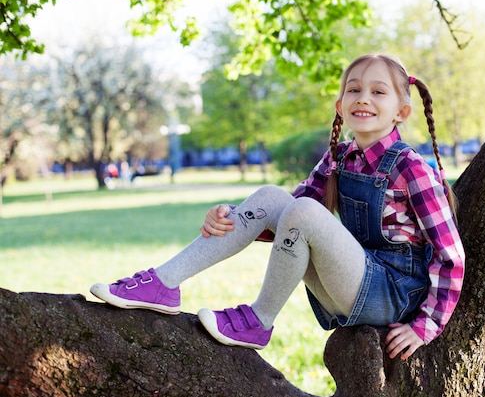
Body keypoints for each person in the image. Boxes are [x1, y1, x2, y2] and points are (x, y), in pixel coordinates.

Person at [90, 53, 465, 360]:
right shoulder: (339, 158)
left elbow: (451, 257)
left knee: (302, 209)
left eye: (377, 91)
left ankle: (260, 319)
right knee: (273, 196)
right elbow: (287, 218)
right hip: (350, 284)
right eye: (354, 89)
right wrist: (230, 218)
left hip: (392, 295)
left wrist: (425, 326)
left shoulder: (411, 169)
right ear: (340, 104)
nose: (363, 98)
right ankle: (163, 283)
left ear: (401, 111)